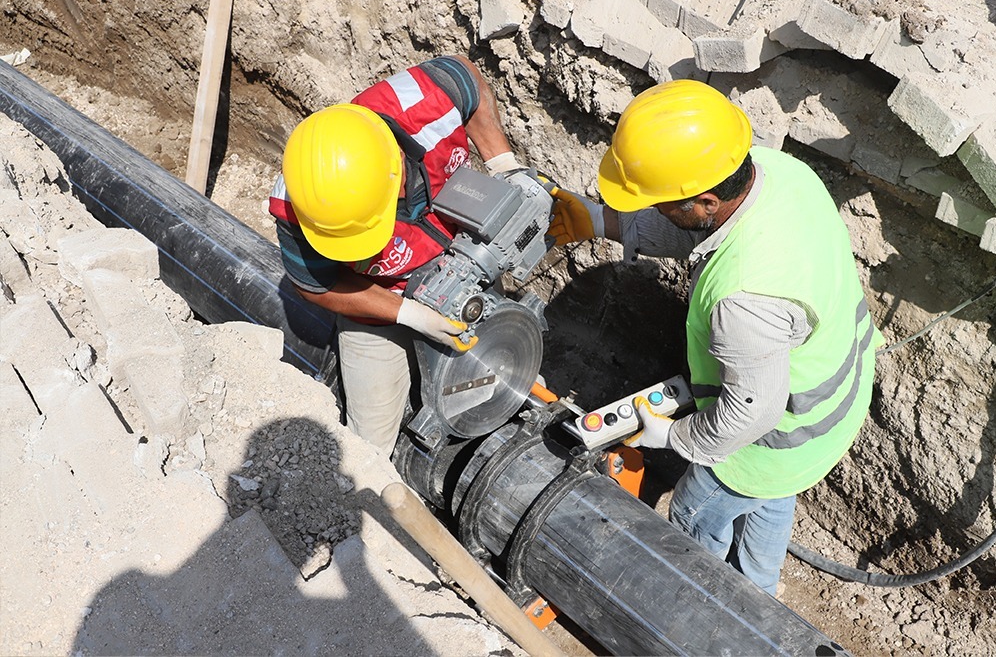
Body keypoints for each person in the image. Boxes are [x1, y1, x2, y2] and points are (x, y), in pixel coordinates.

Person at [547, 79, 884, 596]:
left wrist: (676, 438)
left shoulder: (743, 301)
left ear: (704, 199)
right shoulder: (778, 172)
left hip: (772, 436)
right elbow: (692, 228)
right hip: (828, 408)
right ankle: (760, 594)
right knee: (770, 498)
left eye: (660, 202)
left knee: (693, 510)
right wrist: (600, 221)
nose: (655, 210)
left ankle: (711, 606)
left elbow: (752, 413)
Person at [269, 55, 539, 455]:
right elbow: (315, 285)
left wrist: (505, 167)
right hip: (379, 301)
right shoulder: (299, 200)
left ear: (395, 170)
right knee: (370, 448)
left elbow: (471, 80)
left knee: (504, 375)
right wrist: (408, 314)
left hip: (465, 264)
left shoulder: (423, 103)